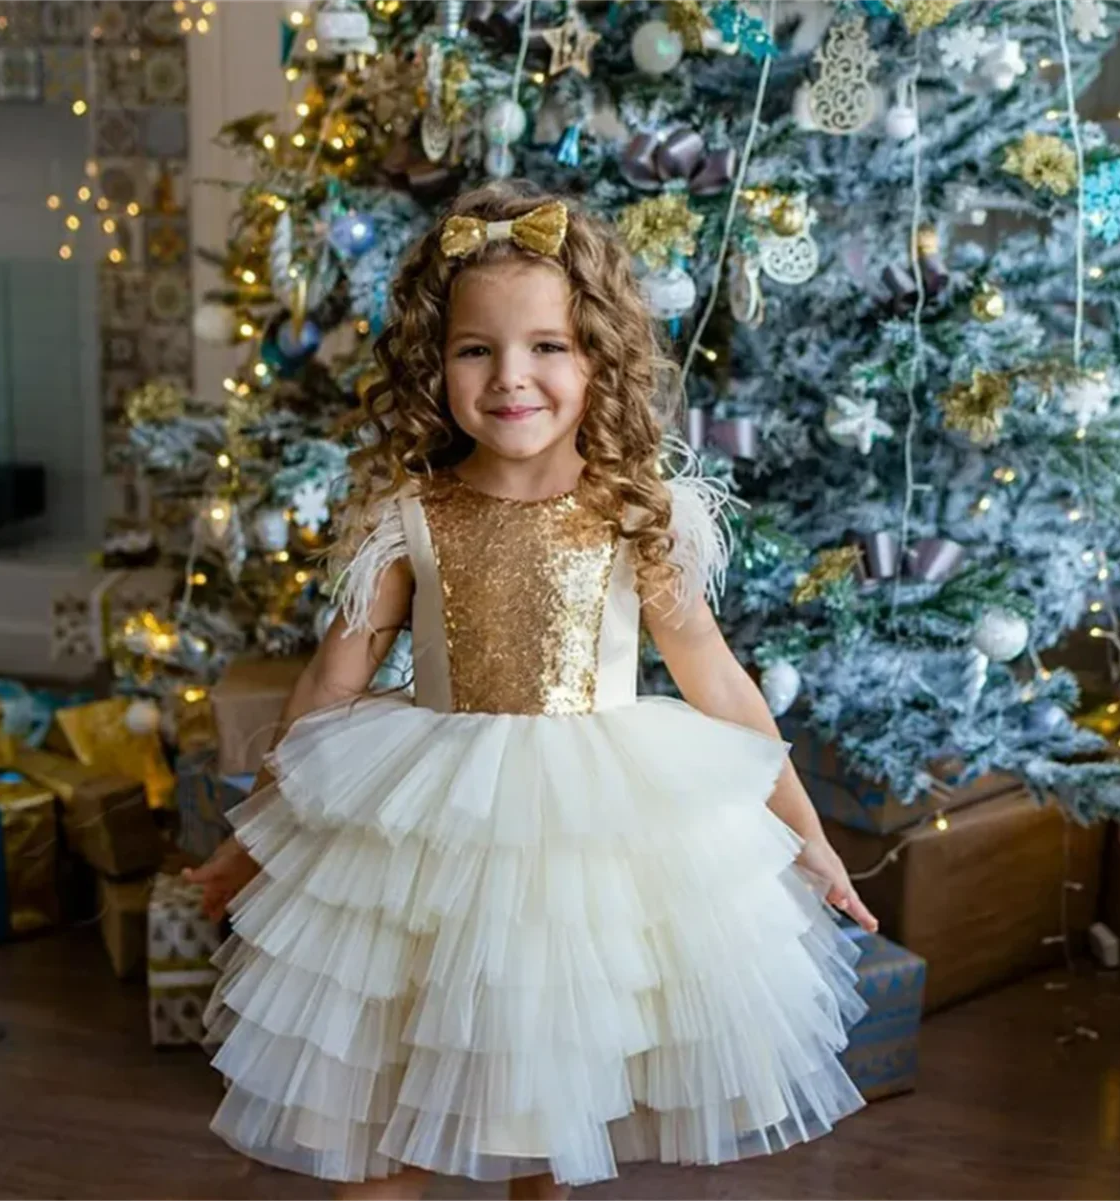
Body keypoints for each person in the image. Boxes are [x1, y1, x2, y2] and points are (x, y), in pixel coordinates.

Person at [186, 181, 877, 1201]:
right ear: (436, 361)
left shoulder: (635, 512)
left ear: (597, 354)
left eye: (548, 345)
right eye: (477, 349)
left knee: (550, 1104)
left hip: (585, 833)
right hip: (427, 827)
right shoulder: (408, 513)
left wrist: (808, 839)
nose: (513, 376)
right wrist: (257, 835)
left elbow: (718, 685)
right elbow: (333, 683)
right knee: (386, 1101)